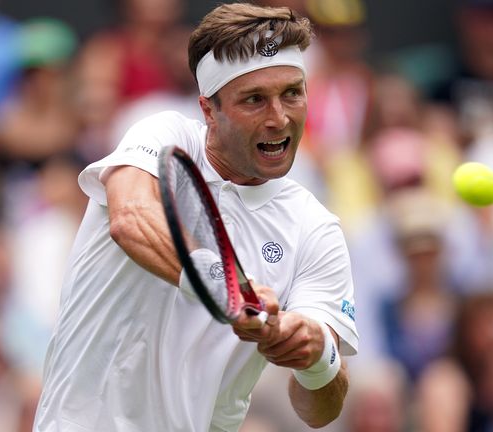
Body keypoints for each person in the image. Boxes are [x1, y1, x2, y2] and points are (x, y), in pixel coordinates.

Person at [33, 4, 359, 432]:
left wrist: (315, 354)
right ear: (209, 111)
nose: (279, 118)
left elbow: (320, 410)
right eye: (255, 99)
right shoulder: (162, 134)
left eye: (292, 93)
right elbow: (130, 219)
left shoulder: (316, 229)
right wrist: (225, 288)